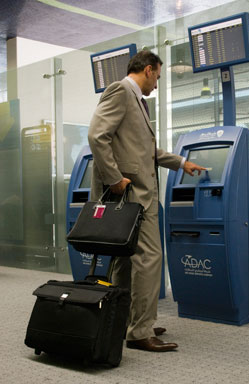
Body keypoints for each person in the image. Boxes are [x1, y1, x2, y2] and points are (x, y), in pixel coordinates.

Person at [88, 50, 206, 352]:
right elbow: (97, 135)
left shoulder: (138, 102)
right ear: (149, 70)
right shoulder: (121, 91)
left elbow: (144, 151)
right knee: (150, 259)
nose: (157, 84)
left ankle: (130, 322)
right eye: (158, 77)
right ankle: (140, 331)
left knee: (127, 262)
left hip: (137, 194)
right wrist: (114, 178)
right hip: (131, 194)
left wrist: (180, 162)